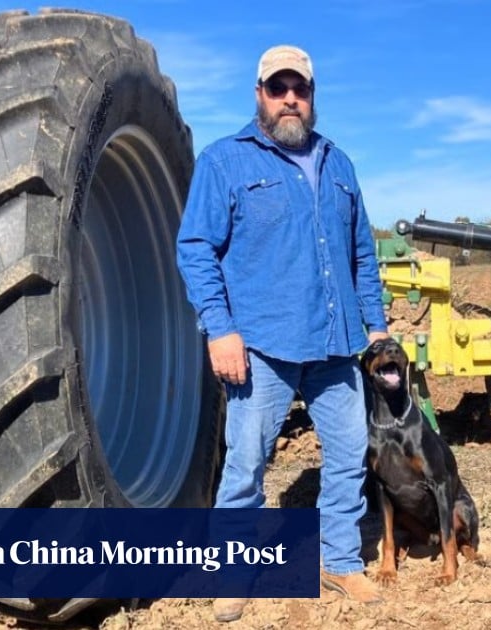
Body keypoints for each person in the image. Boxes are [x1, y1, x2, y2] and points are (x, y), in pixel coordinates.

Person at [176, 44, 390, 623]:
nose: (290, 98)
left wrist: (375, 325)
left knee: (349, 454)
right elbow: (196, 249)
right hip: (261, 344)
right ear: (260, 95)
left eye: (300, 89)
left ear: (313, 96)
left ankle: (339, 560)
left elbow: (361, 254)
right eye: (279, 88)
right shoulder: (225, 161)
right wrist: (219, 329)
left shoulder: (339, 164)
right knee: (246, 462)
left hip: (336, 343)